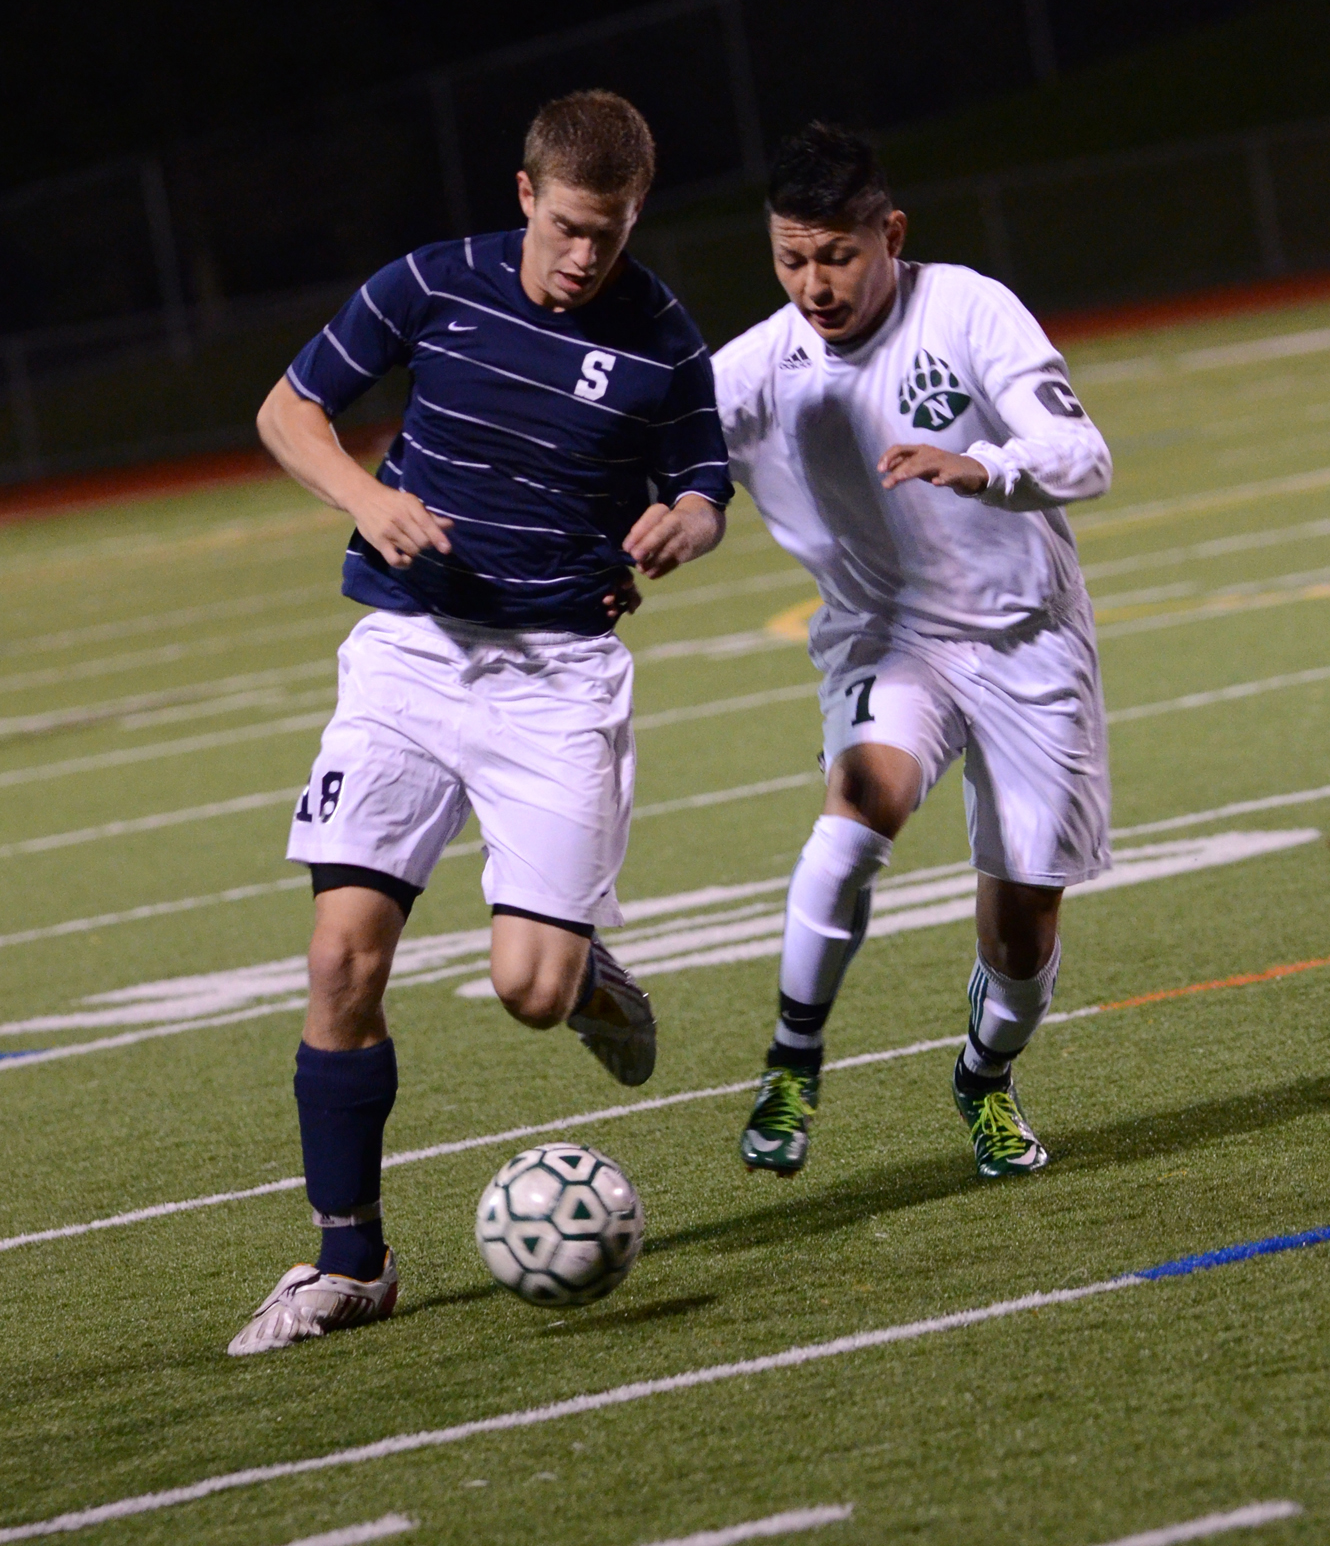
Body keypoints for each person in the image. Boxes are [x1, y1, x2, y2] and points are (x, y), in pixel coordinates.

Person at [228, 90, 731, 1355]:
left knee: (528, 988)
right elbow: (288, 413)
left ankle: (581, 970)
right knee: (343, 952)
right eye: (567, 226)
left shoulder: (663, 335)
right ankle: (351, 1259)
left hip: (558, 678)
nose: (583, 256)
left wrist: (689, 523)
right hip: (407, 653)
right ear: (524, 195)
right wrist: (366, 497)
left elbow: (707, 478)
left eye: (608, 234)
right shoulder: (427, 285)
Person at [712, 122, 1112, 1182]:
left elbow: (1083, 453)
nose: (813, 283)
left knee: (1021, 924)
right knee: (861, 808)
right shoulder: (759, 365)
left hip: (1028, 641)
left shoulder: (967, 308)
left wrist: (978, 463)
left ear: (889, 231)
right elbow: (653, 446)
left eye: (836, 254)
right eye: (790, 258)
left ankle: (982, 1077)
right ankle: (791, 1064)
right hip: (889, 637)